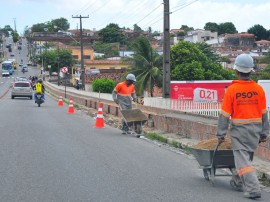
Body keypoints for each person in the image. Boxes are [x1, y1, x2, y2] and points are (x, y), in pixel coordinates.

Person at [216, 54, 269, 199]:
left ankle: (253, 189)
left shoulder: (232, 90)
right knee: (246, 159)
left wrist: (220, 134)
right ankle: (237, 182)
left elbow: (224, 115)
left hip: (240, 131)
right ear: (250, 71)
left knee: (243, 161)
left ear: (236, 71)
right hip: (255, 131)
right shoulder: (258, 89)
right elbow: (264, 113)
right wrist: (265, 132)